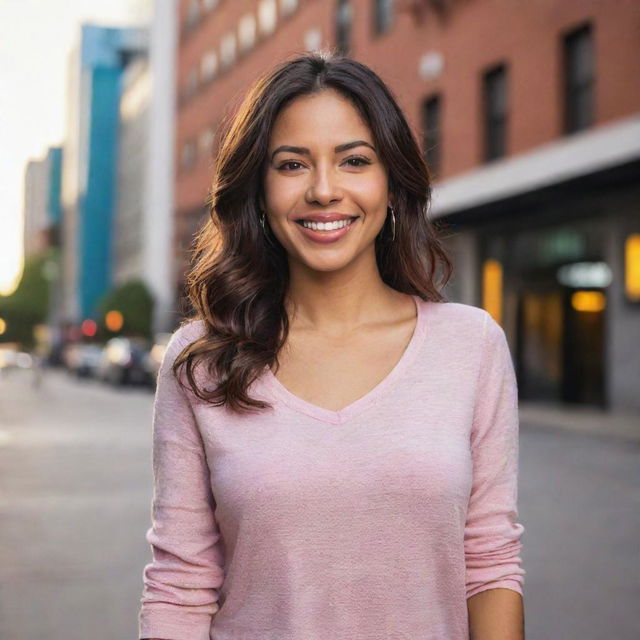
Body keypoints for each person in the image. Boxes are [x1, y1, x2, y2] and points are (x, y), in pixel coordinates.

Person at [138, 50, 525, 640]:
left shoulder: (471, 346)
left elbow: (490, 564)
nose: (324, 190)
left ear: (392, 184)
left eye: (354, 161)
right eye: (292, 165)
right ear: (260, 192)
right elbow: (180, 585)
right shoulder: (203, 360)